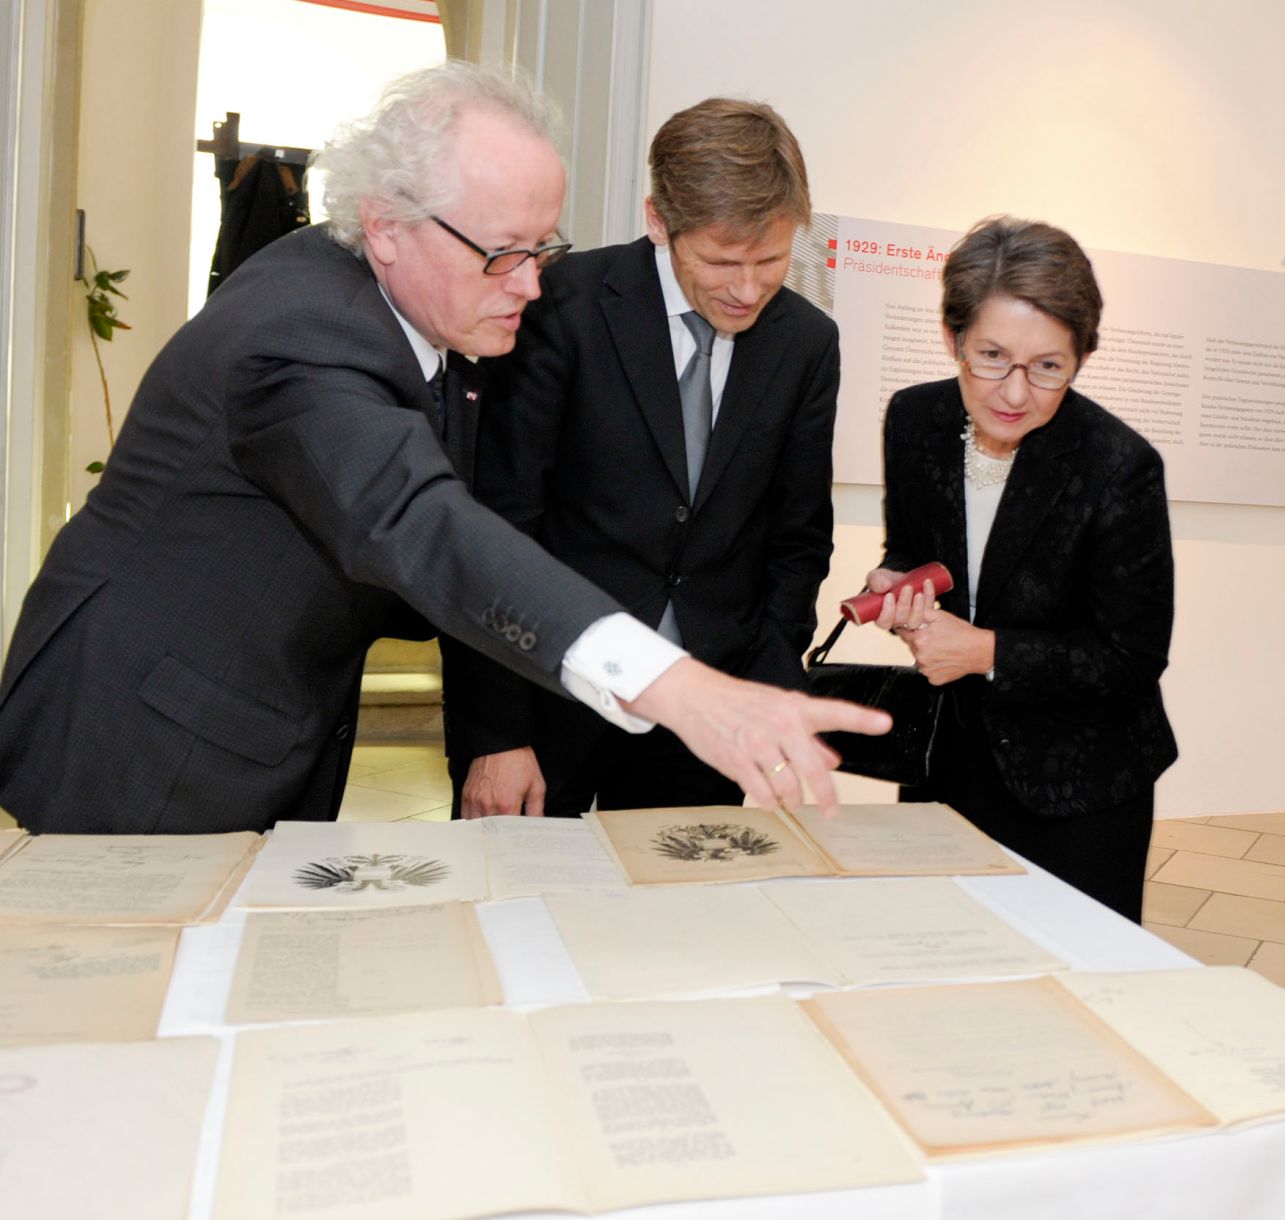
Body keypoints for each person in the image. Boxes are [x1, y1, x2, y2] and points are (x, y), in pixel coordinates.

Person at [0, 62, 885, 836]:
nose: (533, 284)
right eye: (504, 254)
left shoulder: (430, 324)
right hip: (147, 738)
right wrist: (682, 689)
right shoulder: (304, 334)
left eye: (544, 249)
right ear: (386, 224)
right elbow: (421, 523)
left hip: (254, 719)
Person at [444, 98, 837, 819]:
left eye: (772, 261)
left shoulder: (805, 343)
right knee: (524, 914)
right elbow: (493, 530)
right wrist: (495, 733)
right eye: (721, 261)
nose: (747, 289)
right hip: (548, 696)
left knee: (674, 922)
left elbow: (797, 538)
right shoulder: (559, 307)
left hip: (700, 712)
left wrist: (768, 698)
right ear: (659, 221)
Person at [861, 216, 1176, 921]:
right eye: (991, 355)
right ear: (953, 339)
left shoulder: (1118, 466)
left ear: (1080, 359)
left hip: (1079, 783)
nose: (1013, 391)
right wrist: (896, 585)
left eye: (1048, 367)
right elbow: (910, 546)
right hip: (948, 760)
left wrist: (981, 652)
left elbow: (1132, 656)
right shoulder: (916, 421)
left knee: (1070, 983)